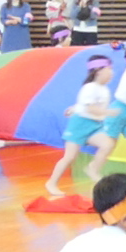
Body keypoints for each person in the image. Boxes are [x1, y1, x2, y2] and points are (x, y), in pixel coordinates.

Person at [46, 54, 115, 196]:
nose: (112, 72)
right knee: (70, 157)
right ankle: (51, 183)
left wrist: (75, 108)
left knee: (107, 144)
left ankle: (93, 168)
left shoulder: (104, 89)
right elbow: (89, 108)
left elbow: (84, 104)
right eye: (109, 69)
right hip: (79, 125)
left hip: (95, 125)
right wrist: (108, 112)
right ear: (98, 71)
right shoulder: (89, 88)